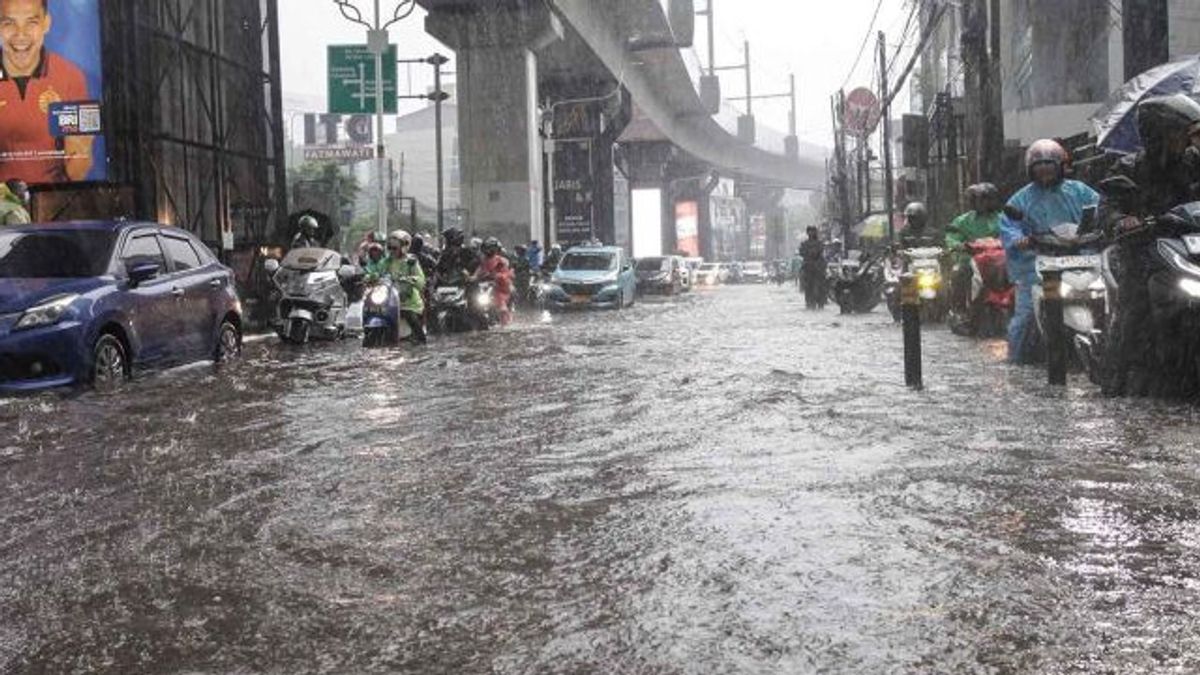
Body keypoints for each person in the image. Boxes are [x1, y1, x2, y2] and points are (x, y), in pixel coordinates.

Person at [1098, 94, 1200, 396]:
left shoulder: (1194, 163)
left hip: (1190, 248)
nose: (1187, 139)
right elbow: (1108, 207)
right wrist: (1121, 220)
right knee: (1134, 309)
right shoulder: (1129, 167)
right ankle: (1114, 381)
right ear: (1159, 134)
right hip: (1144, 250)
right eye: (1181, 133)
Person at [1000, 139, 1100, 365]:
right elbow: (1009, 227)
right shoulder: (1020, 199)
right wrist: (1021, 240)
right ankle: (1016, 360)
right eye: (1039, 169)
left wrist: (1105, 225)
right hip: (1037, 265)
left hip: (1081, 257)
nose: (1045, 173)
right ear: (1031, 171)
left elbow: (1101, 210)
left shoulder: (1080, 191)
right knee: (1024, 318)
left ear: (1061, 168)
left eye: (1050, 167)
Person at [0, 0, 96, 183]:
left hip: (52, 204)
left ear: (46, 23)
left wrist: (80, 152)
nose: (21, 35)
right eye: (9, 23)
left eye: (31, 22)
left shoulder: (71, 77)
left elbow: (79, 169)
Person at [945, 183, 1003, 311]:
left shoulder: (1003, 219)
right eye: (981, 199)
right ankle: (959, 310)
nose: (985, 203)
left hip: (998, 262)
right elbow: (951, 237)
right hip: (970, 260)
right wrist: (959, 245)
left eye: (988, 199)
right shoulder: (962, 221)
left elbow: (1012, 233)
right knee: (959, 273)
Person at [378, 230, 427, 344]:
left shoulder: (411, 262)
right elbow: (378, 272)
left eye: (394, 248)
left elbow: (421, 279)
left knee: (411, 316)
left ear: (404, 247)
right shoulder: (386, 261)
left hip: (409, 302)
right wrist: (370, 277)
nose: (392, 251)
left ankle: (421, 341)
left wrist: (412, 279)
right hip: (389, 301)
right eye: (389, 248)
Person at [475, 237, 514, 325]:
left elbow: (505, 272)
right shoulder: (482, 260)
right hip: (485, 285)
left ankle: (504, 323)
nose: (488, 251)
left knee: (502, 307)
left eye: (490, 248)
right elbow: (479, 270)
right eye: (486, 248)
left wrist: (499, 276)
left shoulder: (502, 260)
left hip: (500, 286)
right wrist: (473, 277)